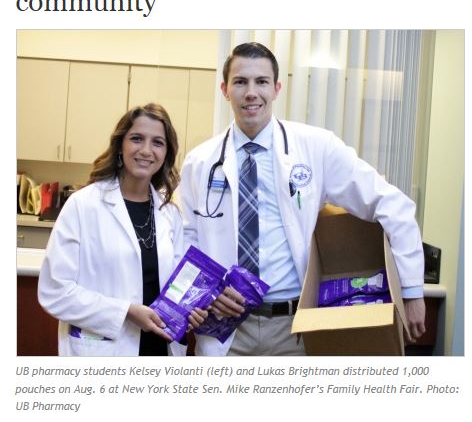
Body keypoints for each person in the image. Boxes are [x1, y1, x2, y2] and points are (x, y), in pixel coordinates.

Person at [179, 42, 426, 356]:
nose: (251, 92)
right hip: (225, 330)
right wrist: (208, 290)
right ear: (225, 89)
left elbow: (392, 204)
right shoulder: (199, 162)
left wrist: (412, 291)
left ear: (277, 88)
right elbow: (186, 242)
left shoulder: (316, 148)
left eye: (261, 82)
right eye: (240, 82)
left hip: (292, 330)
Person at [38, 103, 206, 356]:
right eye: (137, 139)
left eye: (158, 142)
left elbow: (177, 285)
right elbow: (55, 291)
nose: (146, 150)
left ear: (166, 153)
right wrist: (125, 311)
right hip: (105, 351)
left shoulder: (169, 214)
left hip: (161, 348)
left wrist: (193, 307)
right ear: (120, 146)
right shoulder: (83, 205)